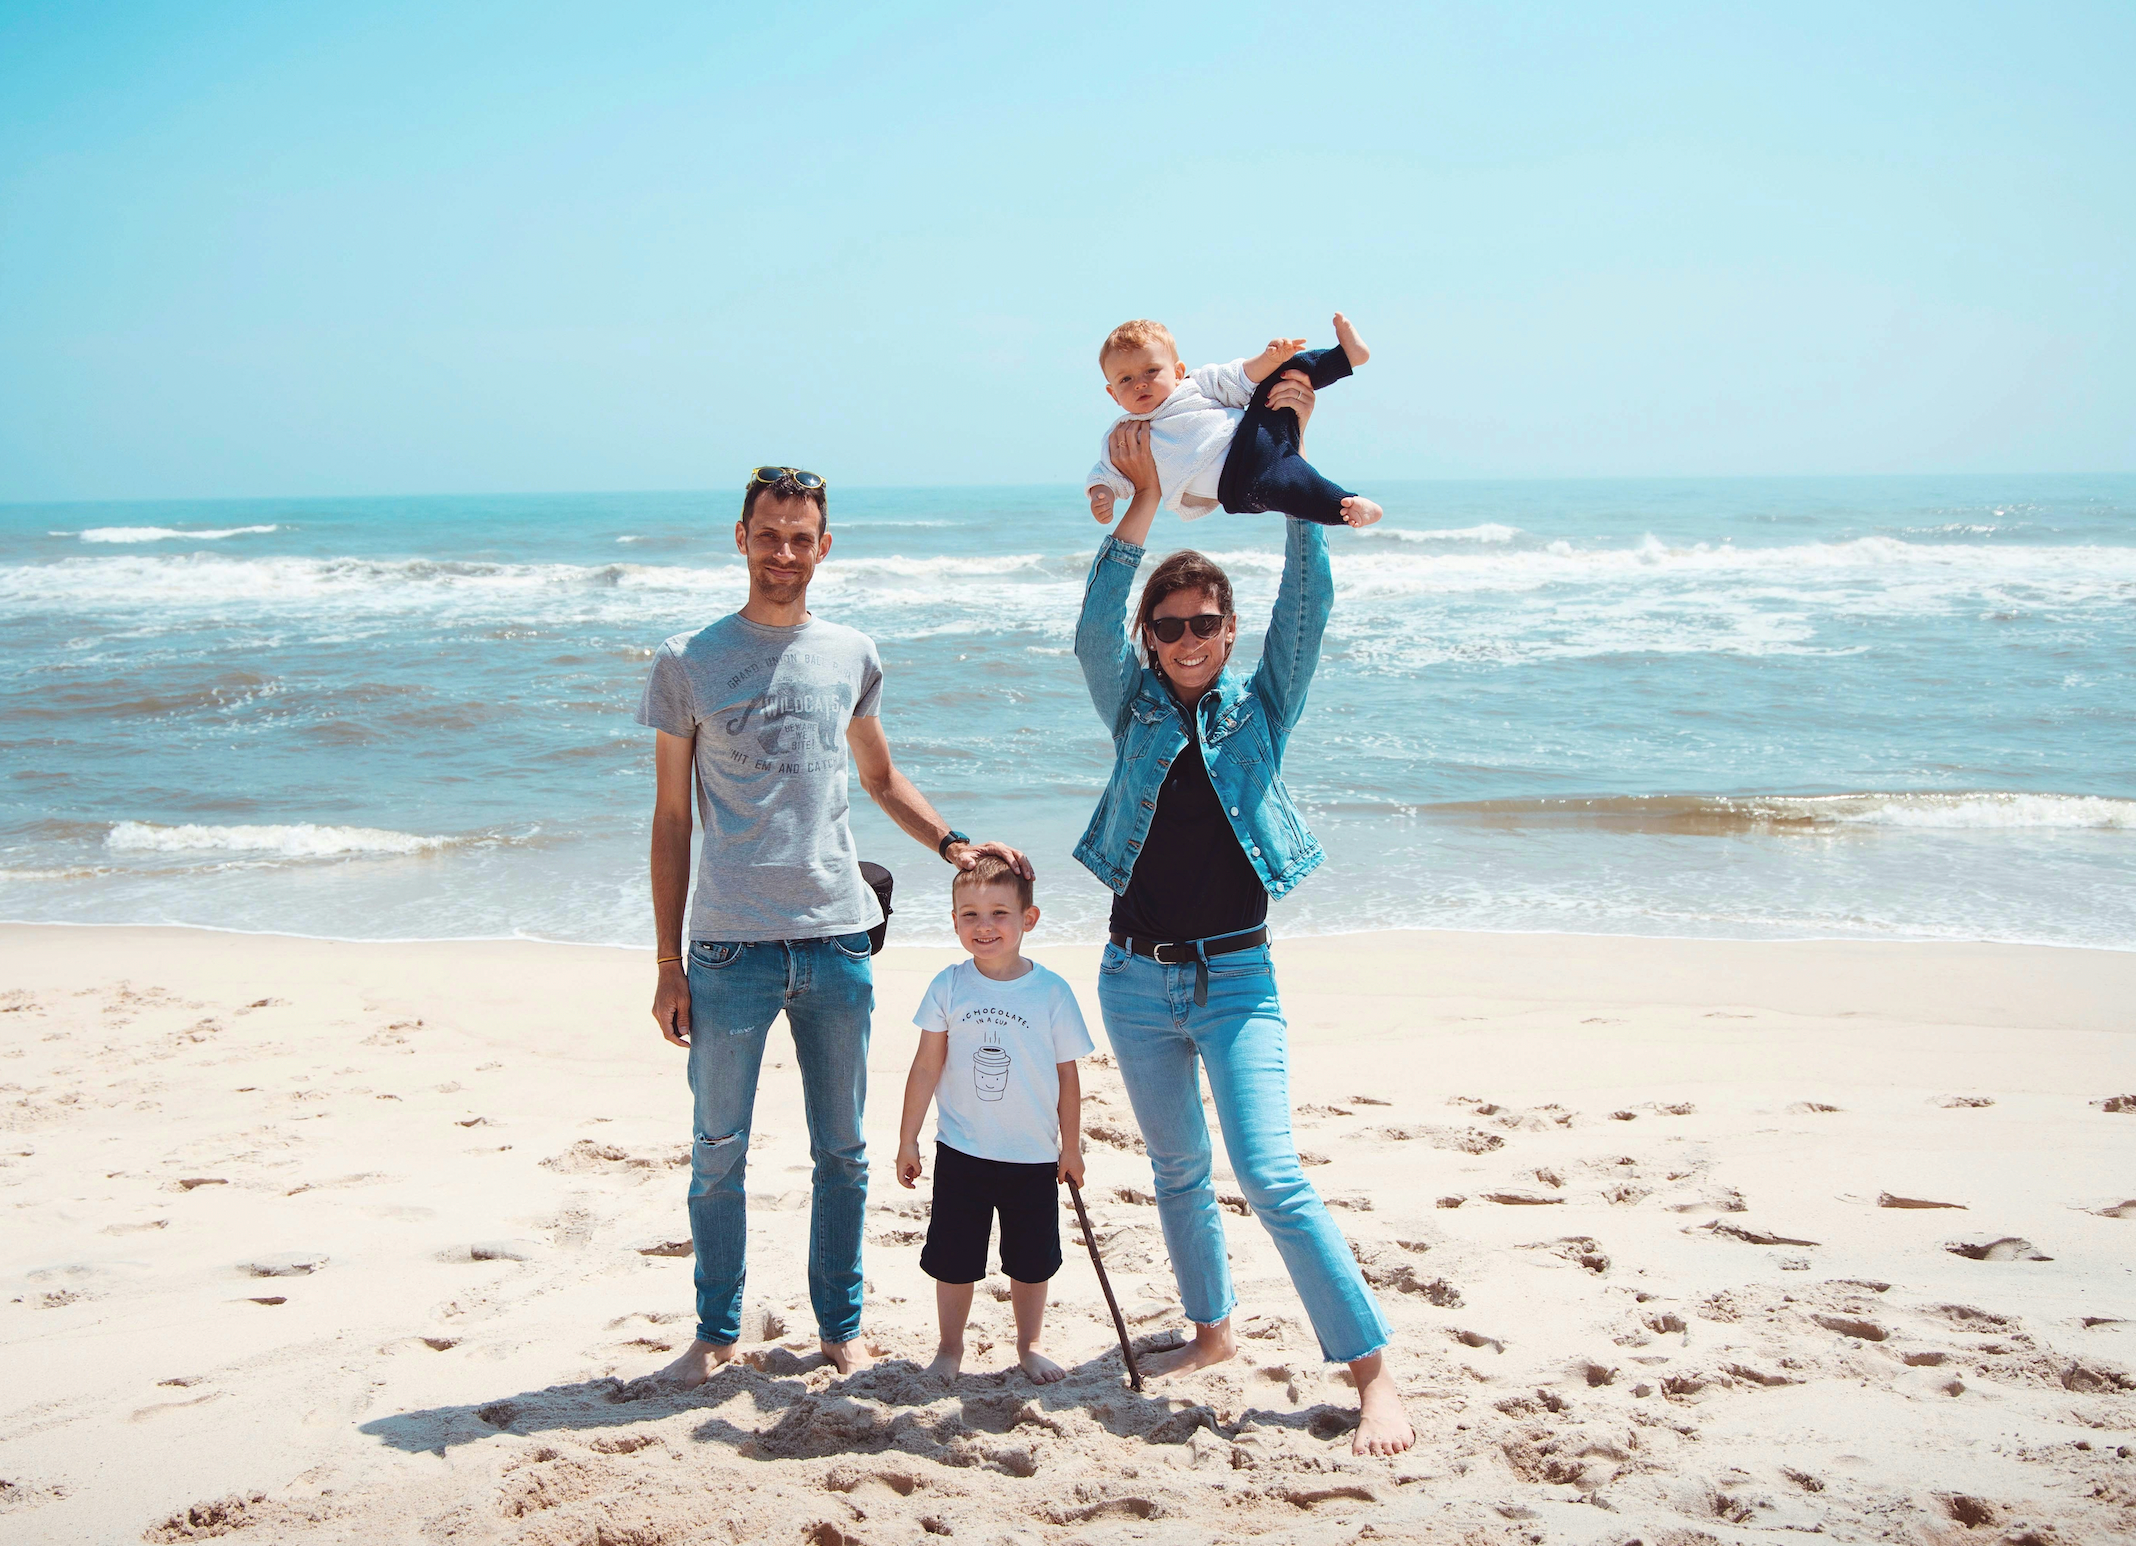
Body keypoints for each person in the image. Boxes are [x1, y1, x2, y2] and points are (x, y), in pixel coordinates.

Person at [638, 465, 1030, 1384]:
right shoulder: (685, 660)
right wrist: (668, 962)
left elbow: (884, 780)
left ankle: (840, 1328)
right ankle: (714, 1331)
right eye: (769, 533)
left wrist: (956, 846)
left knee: (844, 1153)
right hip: (727, 947)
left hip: (837, 939)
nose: (784, 551)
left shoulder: (851, 652)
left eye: (801, 536)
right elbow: (668, 817)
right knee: (717, 1151)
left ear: (824, 544)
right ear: (741, 539)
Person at [1071, 414, 1416, 1457]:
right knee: (1177, 1169)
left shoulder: (1259, 711)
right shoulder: (1129, 707)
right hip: (1132, 981)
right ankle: (1211, 1331)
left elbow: (1305, 618)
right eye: (1167, 626)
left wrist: (1302, 501)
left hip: (1236, 981)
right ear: (1151, 639)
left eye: (1203, 623)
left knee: (1270, 1175)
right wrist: (1136, 511)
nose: (1185, 640)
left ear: (1228, 629)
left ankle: (1374, 1377)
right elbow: (1092, 626)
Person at [893, 855, 1092, 1385]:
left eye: (1000, 913)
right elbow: (925, 1064)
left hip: (1031, 1154)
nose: (984, 926)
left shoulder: (1051, 992)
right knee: (953, 1259)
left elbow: (1067, 1077)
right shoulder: (949, 986)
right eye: (969, 915)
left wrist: (1070, 1147)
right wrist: (908, 1138)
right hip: (961, 1150)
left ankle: (1029, 1346)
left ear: (1028, 919)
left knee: (1031, 1261)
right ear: (954, 921)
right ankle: (950, 1348)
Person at [1085, 313, 1381, 529]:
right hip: (1240, 481)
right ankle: (1346, 504)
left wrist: (1270, 358)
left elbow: (1241, 377)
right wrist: (1103, 494)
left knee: (1282, 375)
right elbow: (1107, 472)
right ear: (1113, 394)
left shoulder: (1196, 384)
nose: (1140, 384)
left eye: (1151, 371)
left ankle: (1345, 357)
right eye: (1126, 379)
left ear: (1177, 371)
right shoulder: (1127, 435)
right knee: (1293, 488)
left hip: (1257, 430)